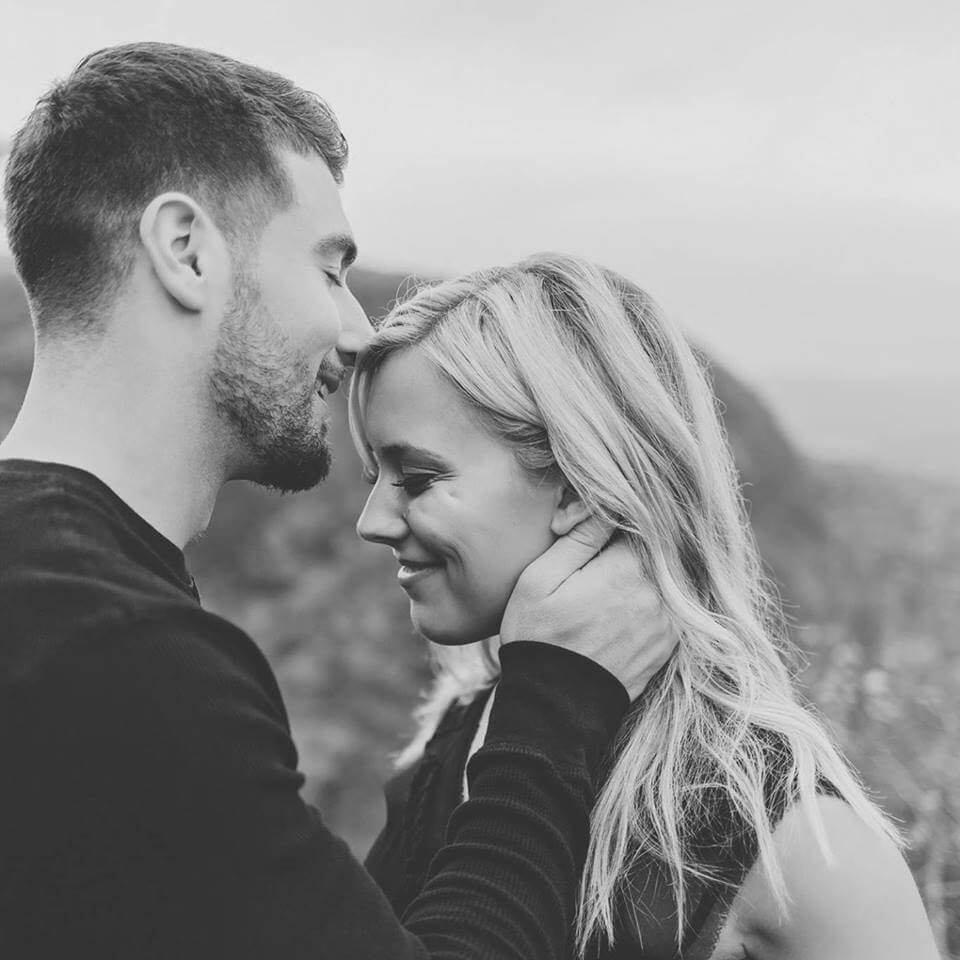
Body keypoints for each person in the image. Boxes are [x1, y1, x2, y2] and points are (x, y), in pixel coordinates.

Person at [0, 44, 675, 959]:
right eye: (328, 268)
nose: (356, 331)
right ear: (186, 250)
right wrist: (553, 702)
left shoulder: (53, 595)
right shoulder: (118, 650)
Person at [350, 254, 941, 959]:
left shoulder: (795, 841)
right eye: (374, 476)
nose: (371, 521)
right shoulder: (457, 745)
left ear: (577, 486)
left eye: (416, 478)